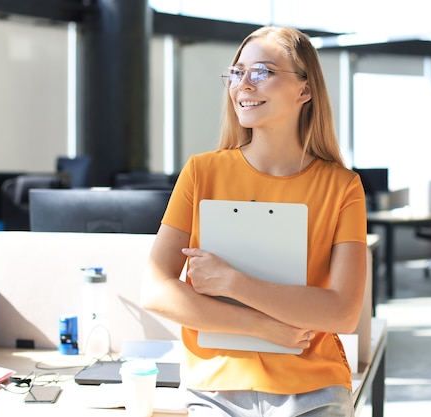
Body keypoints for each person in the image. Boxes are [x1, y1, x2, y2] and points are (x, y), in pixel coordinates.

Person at [142, 25, 367, 417]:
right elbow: (156, 291)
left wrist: (233, 282)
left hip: (314, 387)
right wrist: (259, 326)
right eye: (236, 73)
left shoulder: (342, 186)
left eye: (261, 72)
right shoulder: (201, 172)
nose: (243, 84)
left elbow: (343, 313)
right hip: (216, 385)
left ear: (304, 90)